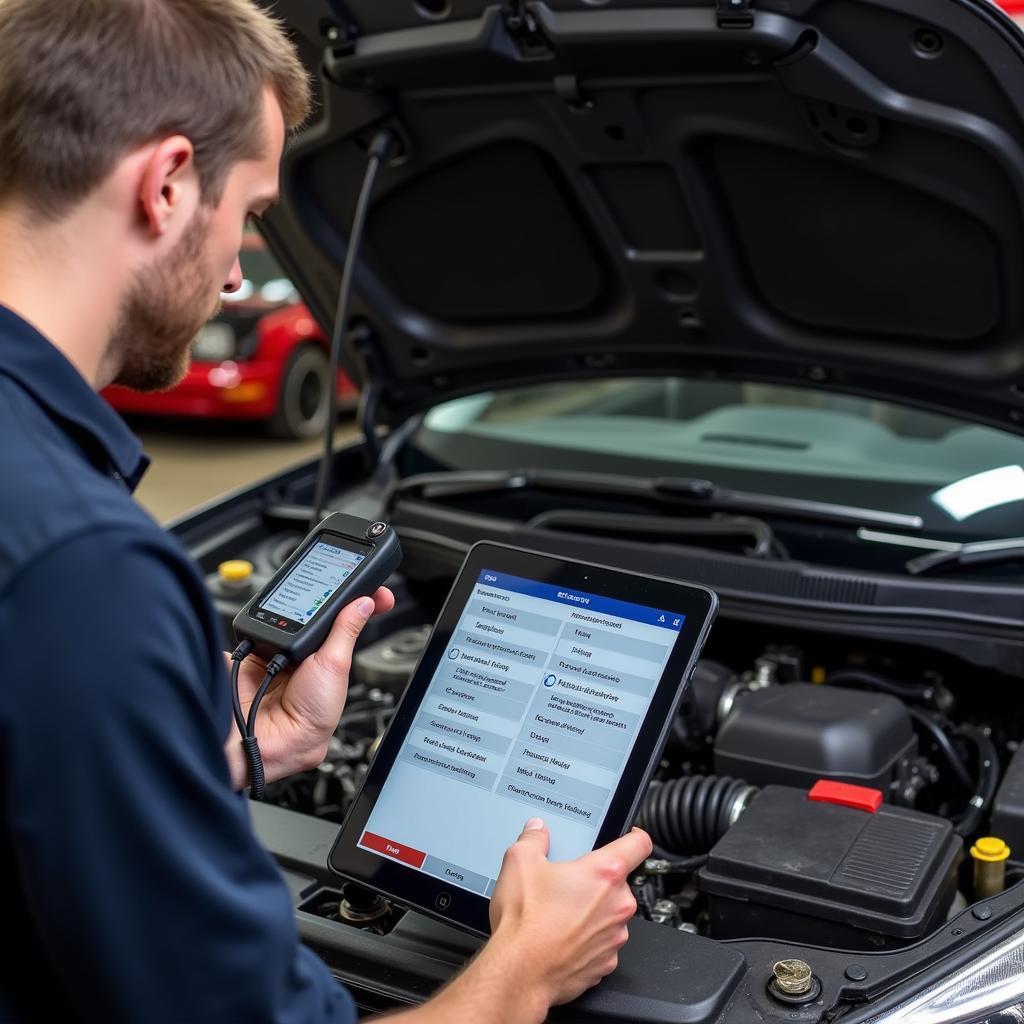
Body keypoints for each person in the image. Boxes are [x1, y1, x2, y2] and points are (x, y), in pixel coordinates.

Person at [0, 2, 653, 1021]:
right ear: (167, 183)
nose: (234, 272)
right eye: (252, 211)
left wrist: (242, 747)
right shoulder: (84, 572)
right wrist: (527, 964)